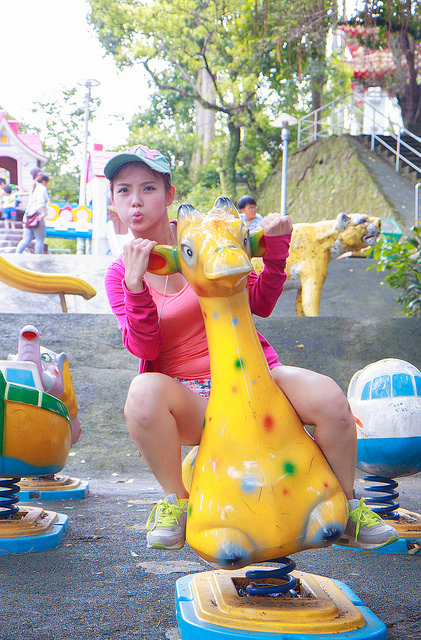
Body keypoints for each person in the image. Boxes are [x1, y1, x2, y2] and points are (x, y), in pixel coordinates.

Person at [104, 145, 398, 553]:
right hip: (192, 398)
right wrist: (136, 286)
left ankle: (348, 505)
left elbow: (259, 302)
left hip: (254, 374)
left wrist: (275, 251)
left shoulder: (205, 235)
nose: (135, 200)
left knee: (330, 398)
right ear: (113, 201)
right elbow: (144, 344)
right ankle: (178, 503)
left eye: (148, 188)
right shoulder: (121, 273)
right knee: (142, 394)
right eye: (124, 190)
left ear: (169, 194)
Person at [16, 173, 50, 254]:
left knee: (26, 239)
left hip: (28, 216)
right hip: (37, 216)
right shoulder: (42, 189)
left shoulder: (34, 188)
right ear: (44, 181)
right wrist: (43, 214)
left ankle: (17, 254)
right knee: (39, 239)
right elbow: (41, 202)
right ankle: (38, 257)